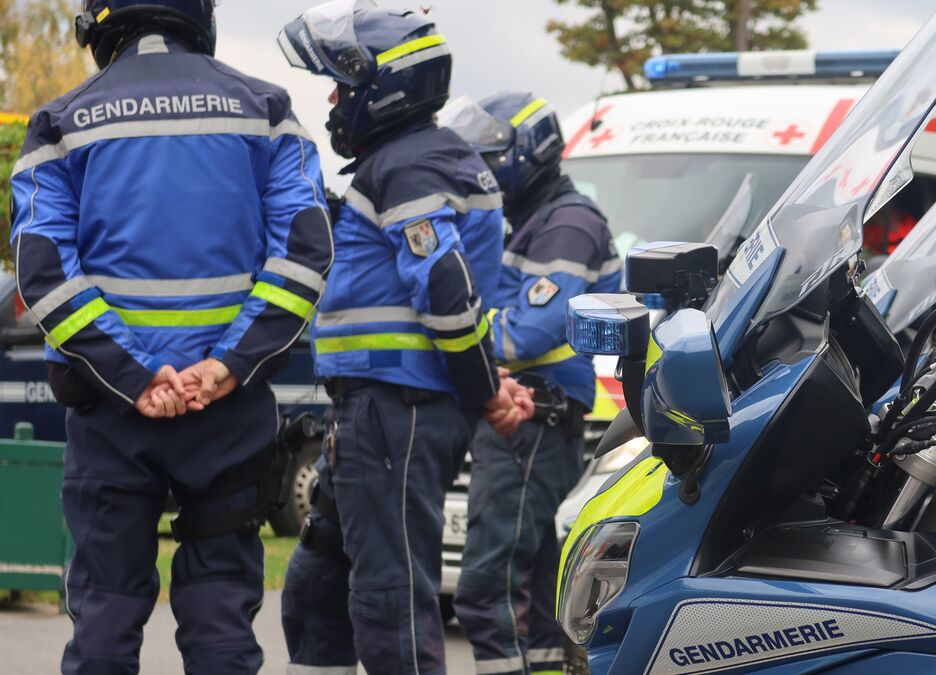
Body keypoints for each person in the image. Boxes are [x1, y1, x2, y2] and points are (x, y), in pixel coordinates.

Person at [9, 1, 334, 672]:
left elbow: (42, 276)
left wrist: (133, 375)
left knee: (104, 611)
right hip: (228, 411)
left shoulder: (59, 123)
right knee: (219, 618)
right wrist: (227, 364)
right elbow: (304, 255)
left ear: (103, 23)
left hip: (108, 412)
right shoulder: (267, 111)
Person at [275, 3, 531, 674]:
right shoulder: (411, 160)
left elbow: (446, 288)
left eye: (342, 84)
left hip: (396, 412)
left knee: (390, 595)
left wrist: (483, 393)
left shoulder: (411, 165)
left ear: (382, 88)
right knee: (315, 587)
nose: (334, 98)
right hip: (378, 409)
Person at [443, 92, 622, 675]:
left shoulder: (566, 224)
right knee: (543, 603)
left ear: (526, 155)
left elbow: (527, 334)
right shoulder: (531, 224)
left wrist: (447, 335)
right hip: (531, 422)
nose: (479, 169)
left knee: (484, 590)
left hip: (530, 422)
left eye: (489, 156)